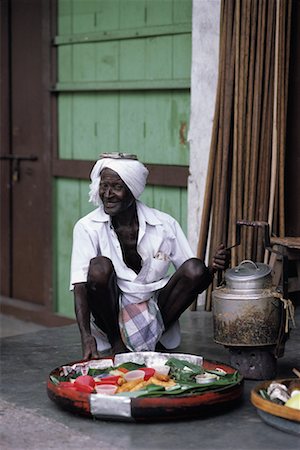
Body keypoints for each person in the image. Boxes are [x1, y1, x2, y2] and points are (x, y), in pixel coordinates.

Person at [70, 153, 229, 359]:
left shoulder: (164, 224)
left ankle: (154, 335)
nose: (107, 194)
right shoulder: (87, 227)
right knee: (99, 267)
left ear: (132, 190)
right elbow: (79, 284)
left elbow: (193, 277)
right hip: (111, 309)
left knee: (195, 268)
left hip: (157, 308)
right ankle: (117, 342)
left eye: (116, 187)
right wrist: (86, 336)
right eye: (103, 186)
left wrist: (212, 269)